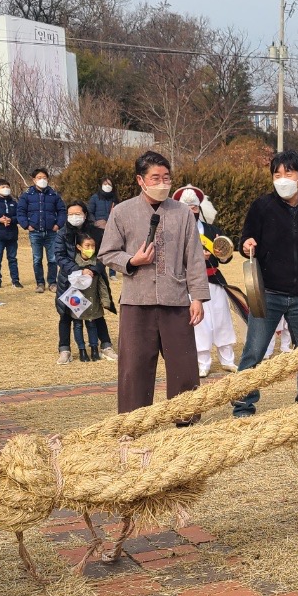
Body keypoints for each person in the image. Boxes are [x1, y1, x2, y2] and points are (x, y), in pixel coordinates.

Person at [232, 150, 298, 418]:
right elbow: (245, 238)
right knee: (254, 351)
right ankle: (243, 404)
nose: (282, 179)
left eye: (288, 173)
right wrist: (246, 243)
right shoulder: (262, 206)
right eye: (277, 174)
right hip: (268, 292)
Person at [98, 151, 208, 413]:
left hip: (176, 300)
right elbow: (107, 253)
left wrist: (199, 298)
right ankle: (132, 423)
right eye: (155, 178)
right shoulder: (122, 212)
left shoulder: (182, 213)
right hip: (137, 302)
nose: (162, 183)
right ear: (140, 180)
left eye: (166, 177)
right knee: (134, 367)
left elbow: (193, 257)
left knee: (184, 366)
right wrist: (132, 261)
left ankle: (186, 421)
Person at [172, 185, 238, 376]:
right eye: (186, 207)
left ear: (198, 208)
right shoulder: (176, 233)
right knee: (199, 323)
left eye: (193, 207)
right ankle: (203, 362)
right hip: (192, 282)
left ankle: (228, 359)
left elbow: (225, 255)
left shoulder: (212, 229)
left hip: (214, 279)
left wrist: (222, 255)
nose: (191, 211)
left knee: (222, 319)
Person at [55, 203, 116, 363]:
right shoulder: (62, 234)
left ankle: (105, 346)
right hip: (69, 281)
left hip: (94, 279)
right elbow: (59, 256)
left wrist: (94, 270)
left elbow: (104, 254)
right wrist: (78, 269)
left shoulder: (95, 233)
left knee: (96, 313)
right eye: (70, 214)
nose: (74, 217)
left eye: (77, 213)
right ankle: (65, 349)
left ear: (85, 214)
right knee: (67, 314)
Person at [17, 167, 64, 292]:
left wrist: (58, 224)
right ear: (33, 180)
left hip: (51, 232)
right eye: (39, 178)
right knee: (37, 259)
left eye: (44, 178)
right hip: (35, 232)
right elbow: (20, 211)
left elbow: (62, 211)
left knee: (53, 259)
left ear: (48, 179)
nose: (42, 180)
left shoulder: (53, 195)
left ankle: (52, 283)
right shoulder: (26, 195)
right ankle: (40, 283)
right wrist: (26, 225)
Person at [88, 176, 119, 278]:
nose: (107, 186)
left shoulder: (115, 199)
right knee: (98, 251)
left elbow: (119, 213)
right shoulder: (95, 198)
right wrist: (96, 222)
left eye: (109, 184)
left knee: (112, 250)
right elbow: (90, 212)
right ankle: (97, 270)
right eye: (105, 184)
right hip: (98, 229)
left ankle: (112, 273)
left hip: (112, 228)